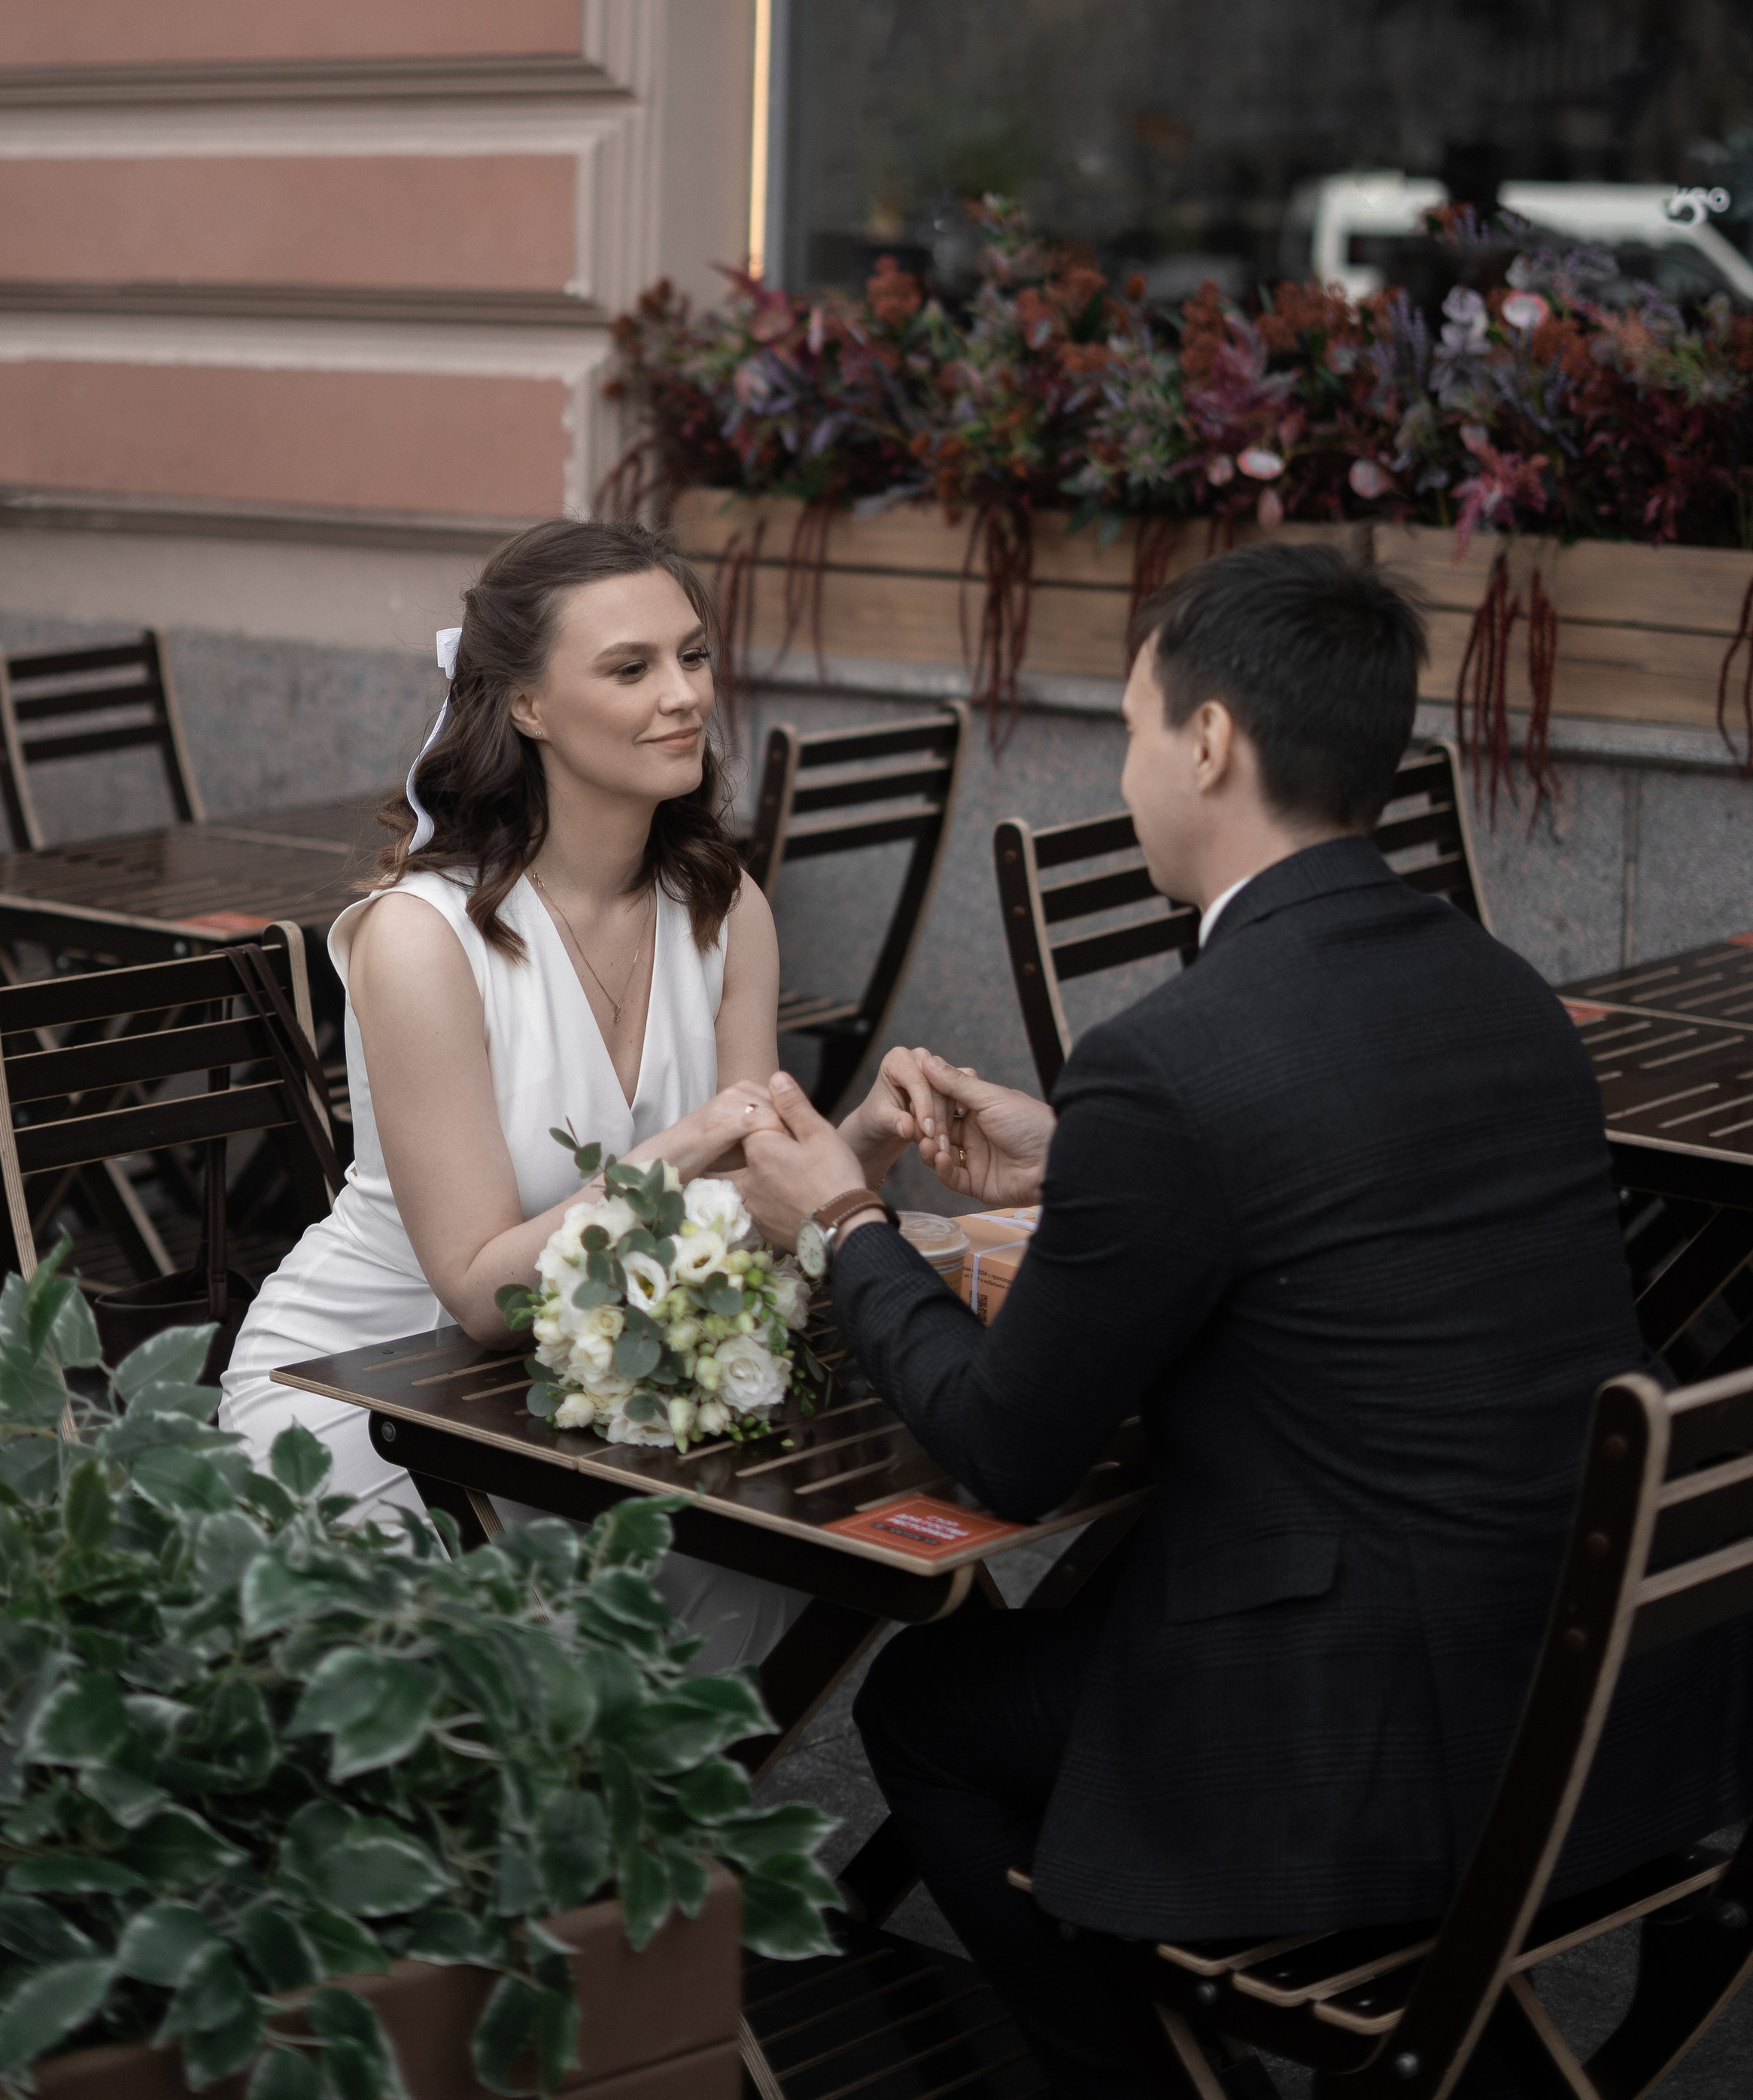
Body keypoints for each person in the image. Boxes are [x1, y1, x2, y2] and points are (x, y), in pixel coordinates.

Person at [736, 542, 1745, 2095]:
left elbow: (1007, 1450)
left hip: (1368, 1748)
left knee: (929, 1706)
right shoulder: (1501, 989)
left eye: (1131, 728)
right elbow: (1348, 1199)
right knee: (1100, 1617)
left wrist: (844, 1221)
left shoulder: (1172, 1058)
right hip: (1607, 1711)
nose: (1123, 769)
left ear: (1207, 741)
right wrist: (1084, 1159)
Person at [220, 517, 907, 1674]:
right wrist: (693, 1141)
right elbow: (482, 1294)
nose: (684, 696)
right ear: (527, 705)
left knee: (788, 1538)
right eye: (630, 668)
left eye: (693, 656)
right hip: (372, 1388)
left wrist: (863, 1154)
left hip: (586, 1392)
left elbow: (747, 1213)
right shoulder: (420, 938)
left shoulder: (725, 908)